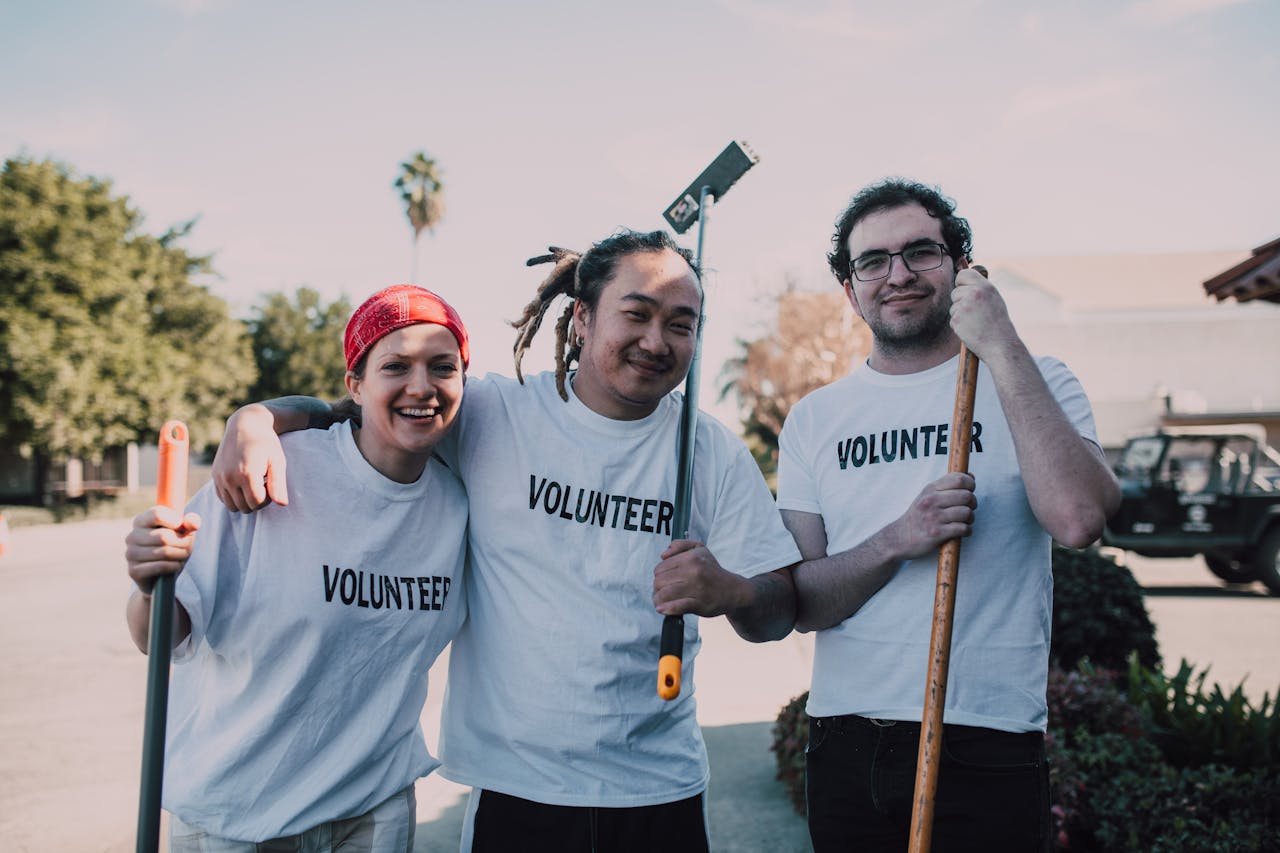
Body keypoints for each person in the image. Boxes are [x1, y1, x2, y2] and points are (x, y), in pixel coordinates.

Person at [212, 229, 802, 853]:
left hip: (658, 791)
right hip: (515, 792)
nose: (656, 341)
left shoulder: (712, 452)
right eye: (636, 315)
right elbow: (364, 407)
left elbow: (779, 612)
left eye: (682, 324)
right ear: (582, 317)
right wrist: (255, 419)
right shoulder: (495, 412)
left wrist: (729, 590)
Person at [776, 179, 1121, 852]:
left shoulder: (1034, 376)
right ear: (850, 289)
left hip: (986, 738)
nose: (897, 274)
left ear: (960, 265)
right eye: (872, 261)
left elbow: (1080, 519)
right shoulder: (815, 418)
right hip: (844, 740)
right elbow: (802, 601)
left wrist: (1002, 346)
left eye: (920, 252)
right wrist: (897, 540)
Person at [125, 285, 472, 851]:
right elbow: (161, 637)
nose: (421, 387)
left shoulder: (459, 503)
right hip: (238, 815)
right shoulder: (269, 470)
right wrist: (149, 584)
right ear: (355, 384)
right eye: (395, 366)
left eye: (442, 367)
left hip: (372, 810)